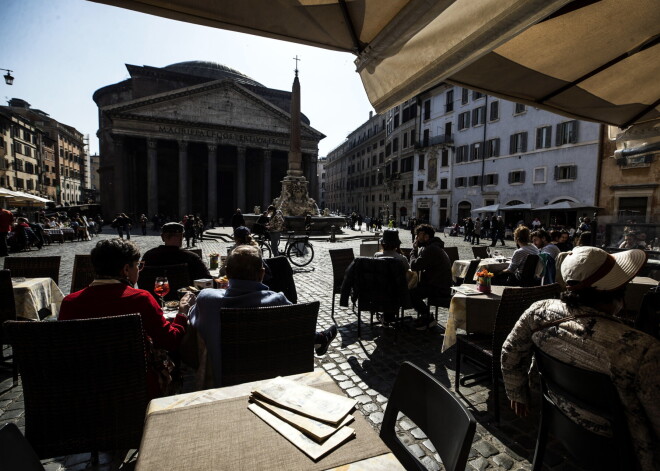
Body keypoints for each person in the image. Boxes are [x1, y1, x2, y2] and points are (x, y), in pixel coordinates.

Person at [501, 247, 658, 471]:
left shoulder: (538, 311)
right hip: (620, 445)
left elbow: (510, 350)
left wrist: (517, 391)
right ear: (617, 290)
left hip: (560, 417)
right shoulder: (642, 349)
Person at [59, 238, 193, 399]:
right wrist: (182, 313)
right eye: (138, 265)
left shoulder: (70, 303)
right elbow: (169, 340)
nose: (139, 270)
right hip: (138, 387)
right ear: (126, 269)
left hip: (87, 390)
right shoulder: (139, 299)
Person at [188, 245, 338, 387]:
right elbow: (299, 333)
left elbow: (192, 322)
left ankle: (320, 338)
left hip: (225, 387)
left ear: (226, 272)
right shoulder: (277, 300)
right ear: (262, 274)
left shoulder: (207, 300)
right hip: (273, 384)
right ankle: (320, 338)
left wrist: (184, 309)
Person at [409, 224, 451, 330]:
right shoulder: (433, 246)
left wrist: (413, 250)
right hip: (438, 283)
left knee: (411, 293)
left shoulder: (431, 249)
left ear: (426, 236)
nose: (416, 238)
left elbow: (414, 265)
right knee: (414, 289)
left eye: (418, 235)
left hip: (438, 287)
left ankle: (428, 318)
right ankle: (424, 316)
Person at [142, 222, 211, 281]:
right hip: (185, 295)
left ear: (162, 237)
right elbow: (207, 280)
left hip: (155, 295)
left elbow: (140, 279)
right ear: (182, 237)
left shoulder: (148, 256)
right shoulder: (192, 257)